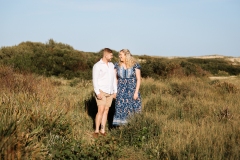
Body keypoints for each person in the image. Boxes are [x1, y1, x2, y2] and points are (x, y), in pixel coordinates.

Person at [113, 49, 142, 126]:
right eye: (119, 55)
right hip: (120, 90)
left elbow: (138, 79)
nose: (119, 57)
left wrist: (136, 92)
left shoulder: (135, 65)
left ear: (126, 55)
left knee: (132, 109)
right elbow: (115, 79)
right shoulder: (117, 65)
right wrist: (115, 91)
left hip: (132, 90)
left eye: (121, 55)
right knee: (120, 108)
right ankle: (120, 129)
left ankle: (132, 128)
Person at [92, 48, 117, 137]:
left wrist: (115, 91)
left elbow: (114, 79)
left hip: (110, 91)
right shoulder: (97, 66)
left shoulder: (111, 65)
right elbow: (95, 80)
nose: (112, 57)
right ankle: (96, 130)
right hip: (101, 91)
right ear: (106, 55)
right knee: (101, 110)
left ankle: (103, 130)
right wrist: (97, 92)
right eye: (111, 55)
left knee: (106, 110)